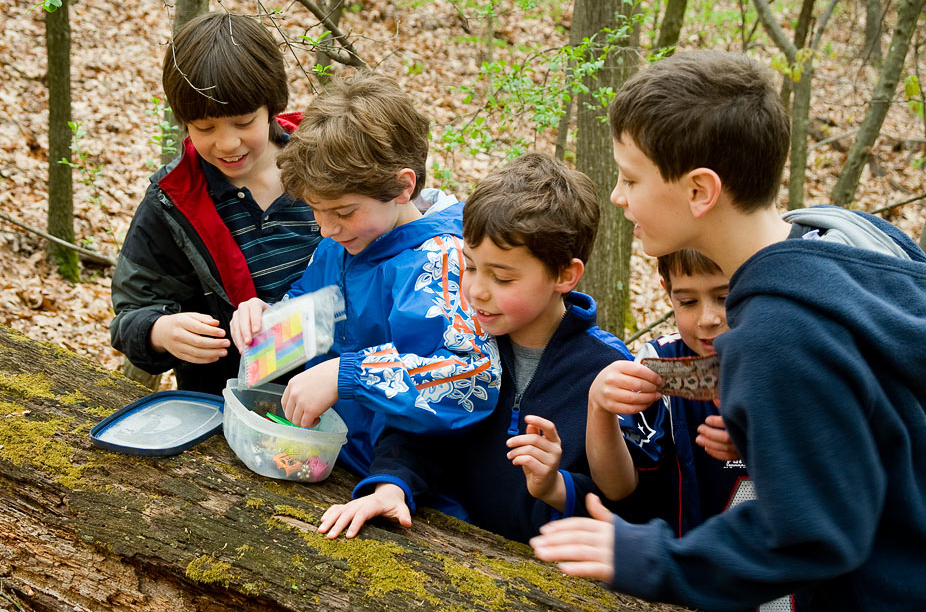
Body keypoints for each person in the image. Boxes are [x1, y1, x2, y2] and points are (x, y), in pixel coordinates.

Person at [530, 50, 926, 610]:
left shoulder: (776, 334)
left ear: (699, 191)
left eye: (630, 178)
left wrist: (648, 556)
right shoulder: (849, 247)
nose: (618, 197)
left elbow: (809, 535)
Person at [314, 152, 634, 543]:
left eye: (501, 278)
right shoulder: (466, 340)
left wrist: (555, 484)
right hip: (454, 551)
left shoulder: (606, 369)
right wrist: (392, 487)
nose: (477, 291)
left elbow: (625, 497)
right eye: (470, 267)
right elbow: (422, 431)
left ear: (565, 275)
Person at [230, 73, 501, 476]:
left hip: (411, 486)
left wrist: (349, 375)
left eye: (342, 212)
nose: (326, 228)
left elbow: (471, 378)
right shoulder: (338, 247)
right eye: (315, 210)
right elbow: (313, 320)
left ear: (402, 187)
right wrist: (263, 322)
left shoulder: (441, 263)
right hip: (331, 460)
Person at [111, 12, 321, 393]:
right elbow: (131, 313)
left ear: (271, 107)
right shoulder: (173, 200)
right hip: (222, 405)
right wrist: (160, 331)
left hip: (338, 400)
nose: (227, 144)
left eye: (243, 122)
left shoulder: (326, 167)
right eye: (205, 128)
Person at [586, 249, 744, 539]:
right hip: (689, 570)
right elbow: (617, 487)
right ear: (667, 293)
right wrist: (598, 406)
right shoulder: (659, 365)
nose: (707, 318)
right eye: (688, 302)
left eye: (724, 298)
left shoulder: (800, 358)